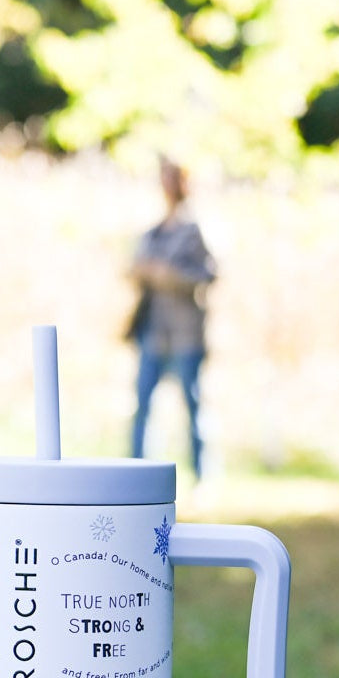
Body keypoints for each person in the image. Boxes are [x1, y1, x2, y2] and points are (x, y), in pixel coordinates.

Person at [127, 158, 216, 479]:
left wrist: (170, 276)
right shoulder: (152, 233)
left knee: (193, 406)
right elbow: (132, 269)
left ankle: (202, 474)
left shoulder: (194, 231)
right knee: (142, 406)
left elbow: (209, 274)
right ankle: (135, 473)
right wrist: (143, 272)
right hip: (152, 331)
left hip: (185, 335)